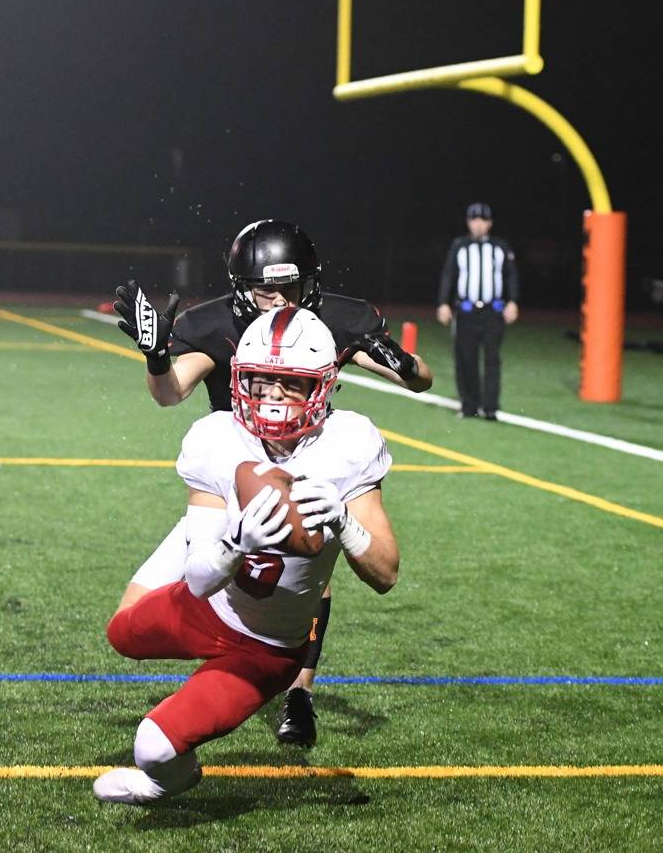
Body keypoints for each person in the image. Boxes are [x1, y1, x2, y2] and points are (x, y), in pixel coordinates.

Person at [112, 219, 431, 748]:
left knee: (308, 563)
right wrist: (157, 357)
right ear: (241, 288)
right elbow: (170, 393)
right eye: (267, 288)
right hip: (230, 468)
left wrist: (404, 364)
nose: (281, 298)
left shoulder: (335, 319)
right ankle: (232, 658)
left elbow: (417, 378)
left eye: (292, 286)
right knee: (132, 618)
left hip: (305, 459)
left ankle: (296, 692)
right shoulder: (216, 325)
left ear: (312, 282)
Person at [93, 306, 399, 805]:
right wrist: (234, 544)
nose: (273, 396)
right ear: (241, 380)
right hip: (209, 605)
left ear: (323, 386)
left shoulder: (349, 442)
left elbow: (385, 572)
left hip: (267, 646)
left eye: (290, 383)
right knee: (121, 633)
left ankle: (170, 779)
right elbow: (197, 581)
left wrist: (344, 521)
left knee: (152, 749)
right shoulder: (216, 437)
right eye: (261, 381)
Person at [436, 202, 519, 420]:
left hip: (493, 311)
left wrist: (513, 302)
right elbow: (448, 275)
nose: (478, 224)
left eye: (482, 219)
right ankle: (469, 405)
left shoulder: (500, 246)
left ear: (490, 223)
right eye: (474, 219)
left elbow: (511, 275)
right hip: (466, 311)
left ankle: (490, 407)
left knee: (492, 359)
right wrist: (443, 302)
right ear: (468, 222)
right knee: (466, 359)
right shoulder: (459, 246)